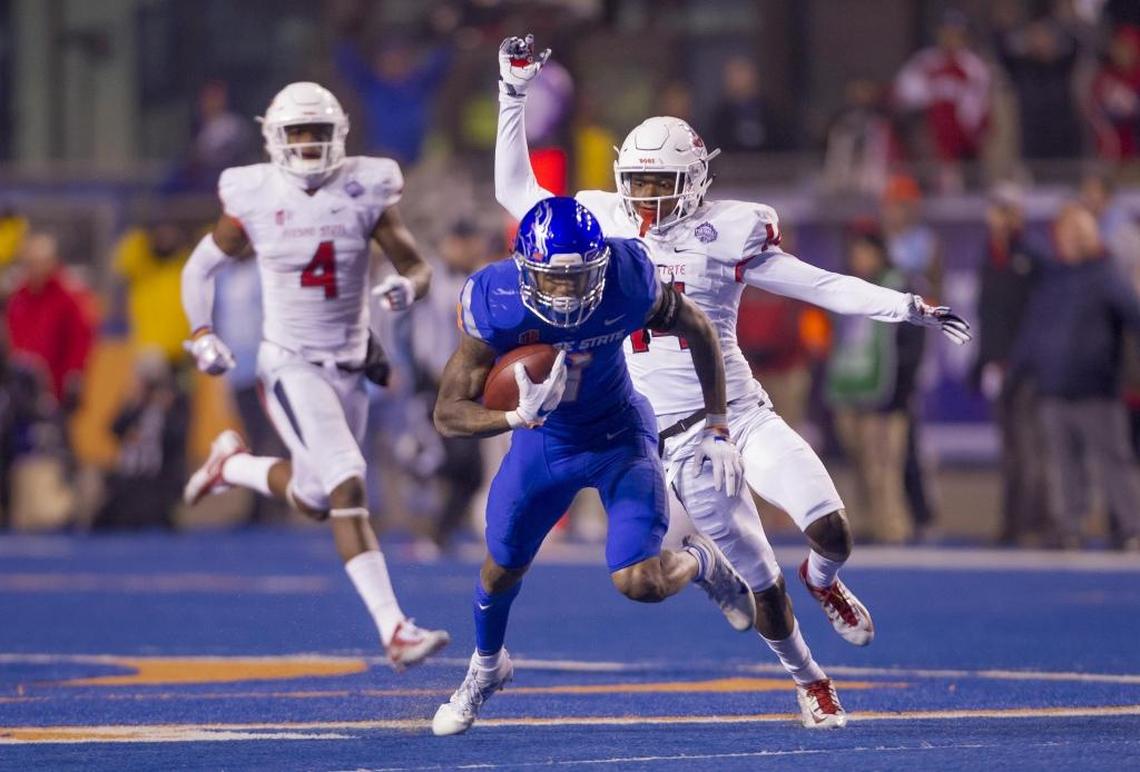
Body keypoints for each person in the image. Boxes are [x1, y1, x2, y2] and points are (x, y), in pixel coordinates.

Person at [494, 35, 972, 726]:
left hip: (740, 414)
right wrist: (513, 93)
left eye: (662, 184)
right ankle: (810, 678)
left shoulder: (731, 229)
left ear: (695, 180)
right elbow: (516, 190)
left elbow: (819, 284)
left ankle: (826, 579)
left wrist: (905, 306)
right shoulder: (602, 218)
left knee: (833, 530)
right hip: (673, 441)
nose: (648, 200)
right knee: (758, 578)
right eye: (638, 183)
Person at [430, 196, 755, 735]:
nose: (566, 292)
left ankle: (701, 561)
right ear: (525, 269)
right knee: (500, 566)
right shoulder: (497, 300)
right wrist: (513, 415)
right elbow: (447, 413)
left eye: (580, 277)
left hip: (617, 438)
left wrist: (718, 422)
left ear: (600, 266)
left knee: (640, 582)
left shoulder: (628, 278)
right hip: (544, 443)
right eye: (553, 280)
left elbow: (700, 329)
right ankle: (486, 669)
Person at [179, 82, 449, 669]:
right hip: (290, 362)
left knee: (314, 496)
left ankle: (233, 464)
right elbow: (199, 268)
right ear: (274, 138)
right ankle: (394, 629)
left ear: (338, 137)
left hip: (350, 363)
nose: (306, 144)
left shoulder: (364, 186)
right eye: (296, 133)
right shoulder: (253, 193)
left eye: (317, 133)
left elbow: (416, 264)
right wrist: (202, 333)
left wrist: (407, 287)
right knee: (348, 480)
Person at [1010, 203, 1140, 551]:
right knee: (1063, 467)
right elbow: (1034, 330)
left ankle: (1130, 528)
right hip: (1054, 389)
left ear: (1091, 235)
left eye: (1078, 232)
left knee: (1114, 462)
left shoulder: (1107, 273)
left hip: (1098, 389)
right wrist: (1017, 372)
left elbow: (1134, 315)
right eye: (1066, 232)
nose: (1071, 239)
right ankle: (1069, 527)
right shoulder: (1053, 278)